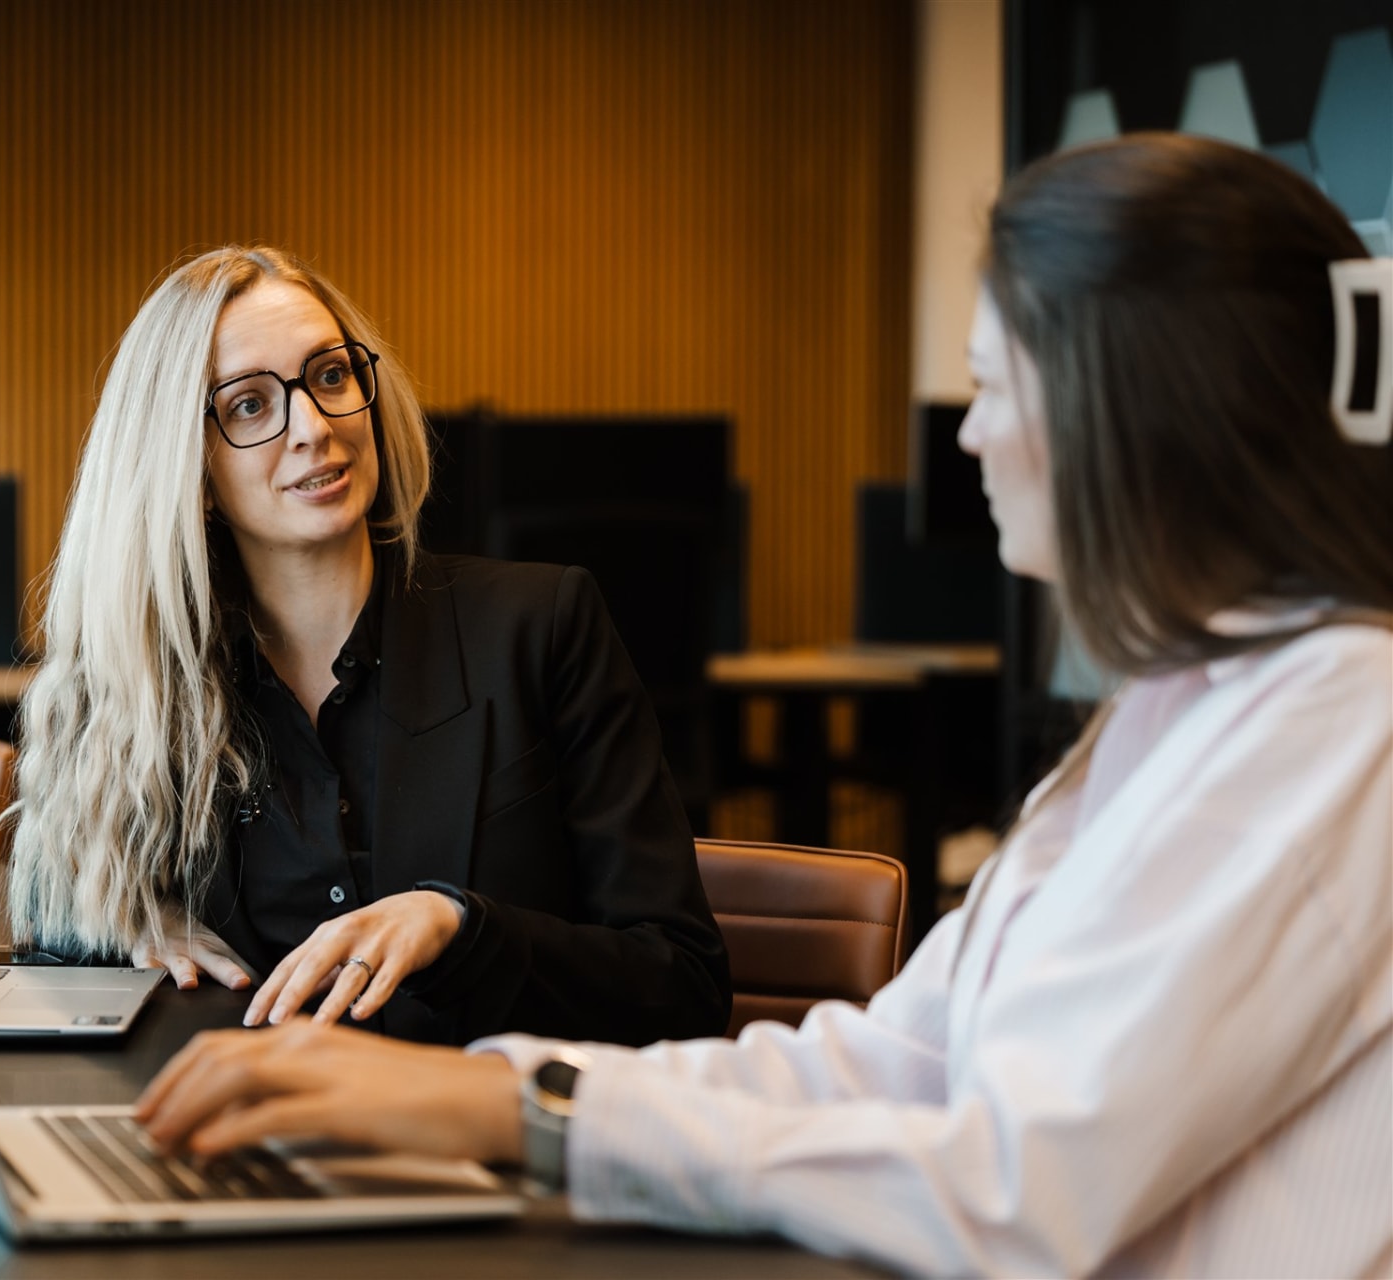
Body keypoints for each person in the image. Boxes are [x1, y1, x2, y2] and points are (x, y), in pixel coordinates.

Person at [133, 135, 1393, 1277]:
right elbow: (892, 1062)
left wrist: (520, 1112)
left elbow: (1017, 1189)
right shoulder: (1173, 714)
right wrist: (507, 1092)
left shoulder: (1334, 726)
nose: (971, 438)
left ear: (1131, 412)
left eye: (993, 386)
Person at [6, 245, 730, 1046]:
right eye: (248, 405)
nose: (314, 428)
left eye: (330, 375)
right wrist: (122, 937)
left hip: (476, 1117)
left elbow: (683, 984)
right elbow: (43, 938)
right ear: (189, 468)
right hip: (248, 1121)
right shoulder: (144, 686)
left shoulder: (542, 625)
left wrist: (461, 928)